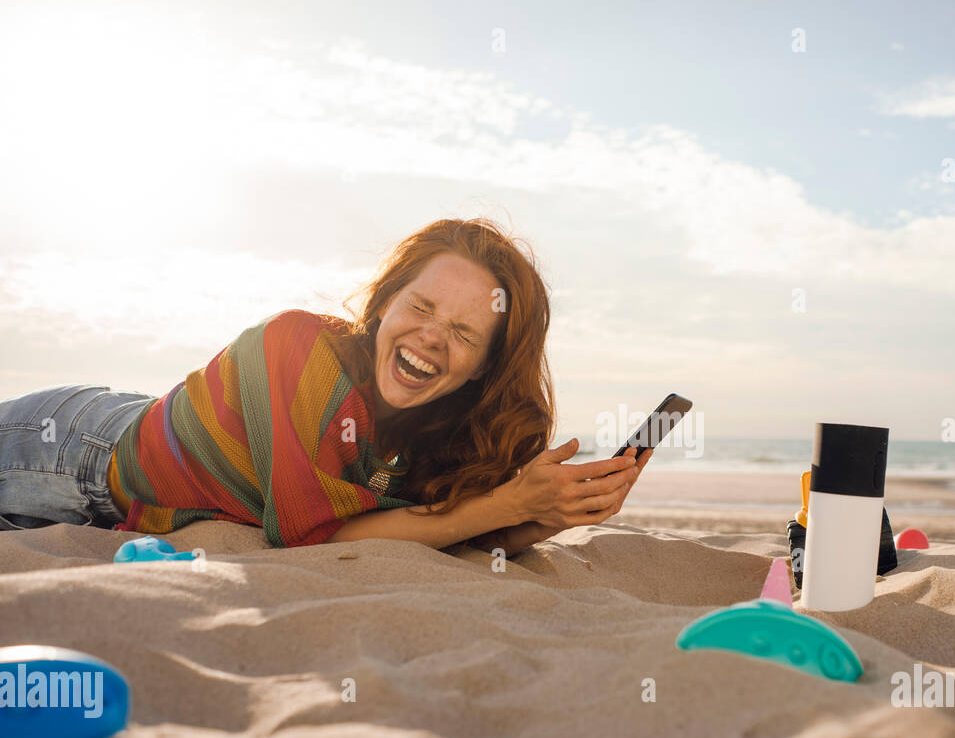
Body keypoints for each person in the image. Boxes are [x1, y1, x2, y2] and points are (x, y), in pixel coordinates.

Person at [0, 218, 648, 556]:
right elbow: (310, 538)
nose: (430, 336)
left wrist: (547, 515)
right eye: (419, 307)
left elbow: (451, 533)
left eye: (462, 331)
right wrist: (506, 505)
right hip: (71, 451)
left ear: (483, 366)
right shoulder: (298, 345)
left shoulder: (433, 427)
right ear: (385, 303)